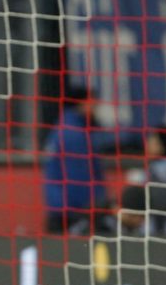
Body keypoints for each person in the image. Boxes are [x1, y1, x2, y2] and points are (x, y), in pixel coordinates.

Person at [42, 85, 115, 234]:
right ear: (82, 104)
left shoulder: (63, 127)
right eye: (93, 104)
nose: (95, 109)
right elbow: (79, 178)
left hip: (60, 209)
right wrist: (96, 206)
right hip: (71, 214)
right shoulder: (74, 134)